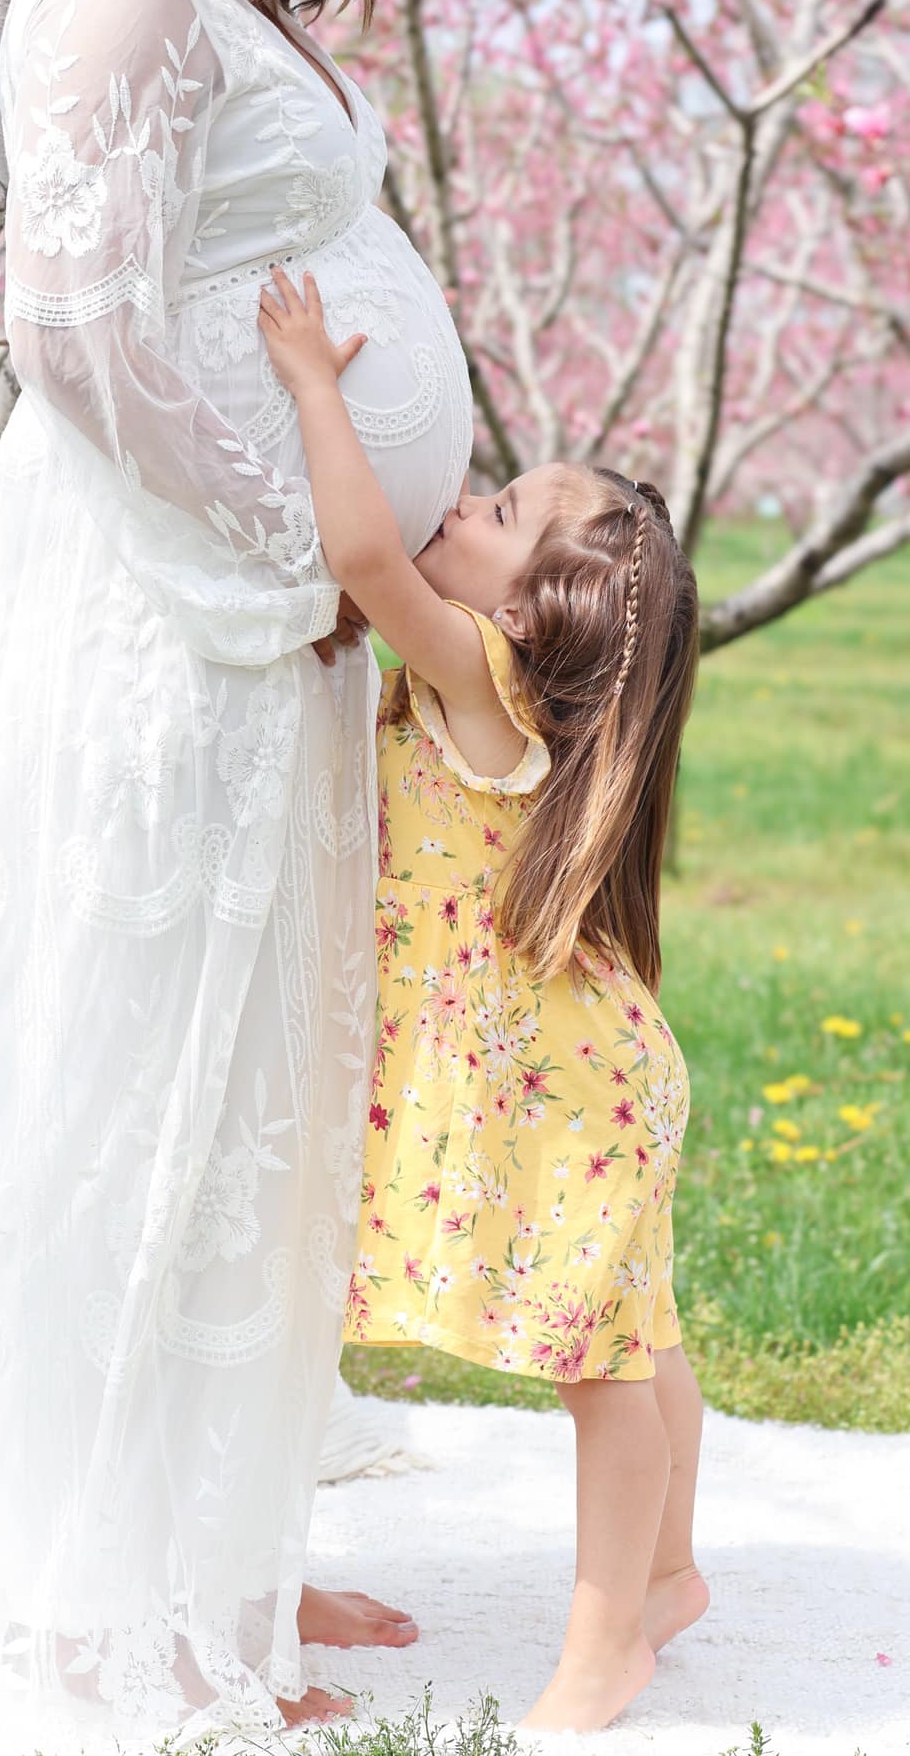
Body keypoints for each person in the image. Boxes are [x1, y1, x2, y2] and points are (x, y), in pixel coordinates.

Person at [0, 0, 476, 1742]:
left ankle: (209, 1545)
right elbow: (71, 323)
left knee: (238, 1098)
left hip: (242, 627)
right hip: (169, 622)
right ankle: (107, 1608)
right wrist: (294, 553)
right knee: (141, 1087)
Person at [258, 267, 707, 1735]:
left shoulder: (486, 681)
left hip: (566, 1089)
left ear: (541, 609)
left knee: (600, 1367)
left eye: (500, 518)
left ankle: (602, 1647)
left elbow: (376, 564)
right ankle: (670, 1575)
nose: (463, 506)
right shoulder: (492, 697)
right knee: (635, 1337)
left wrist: (317, 385)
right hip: (583, 1068)